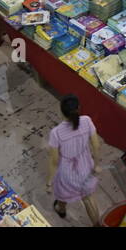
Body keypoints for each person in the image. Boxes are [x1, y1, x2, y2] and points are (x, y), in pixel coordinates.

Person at [47, 95, 102, 225]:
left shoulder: (56, 133)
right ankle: (97, 224)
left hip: (67, 173)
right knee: (89, 199)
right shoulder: (87, 121)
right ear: (79, 108)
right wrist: (97, 165)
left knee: (61, 194)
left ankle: (61, 210)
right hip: (86, 169)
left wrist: (49, 182)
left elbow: (54, 161)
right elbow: (96, 145)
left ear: (61, 111)